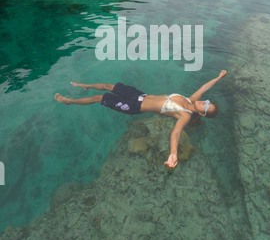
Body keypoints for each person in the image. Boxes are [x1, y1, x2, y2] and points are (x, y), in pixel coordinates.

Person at [55, 70, 227, 169]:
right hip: (140, 95)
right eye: (207, 102)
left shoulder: (185, 115)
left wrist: (173, 153)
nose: (204, 102)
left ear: (202, 114)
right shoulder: (191, 100)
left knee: (99, 98)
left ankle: (69, 101)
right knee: (110, 86)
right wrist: (218, 78)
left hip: (134, 107)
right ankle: (86, 85)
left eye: (206, 107)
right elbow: (204, 87)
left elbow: (175, 133)